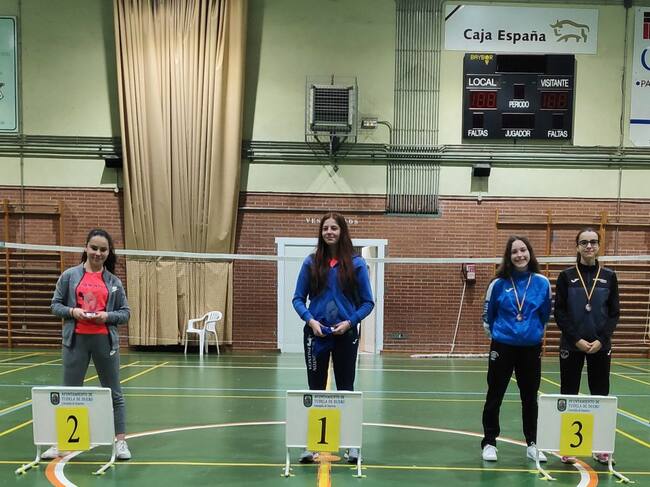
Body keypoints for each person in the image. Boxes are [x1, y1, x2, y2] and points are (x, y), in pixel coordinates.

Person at [42, 228, 131, 460]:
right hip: (76, 342)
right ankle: (64, 442)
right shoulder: (69, 276)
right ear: (86, 247)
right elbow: (55, 305)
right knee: (70, 393)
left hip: (105, 342)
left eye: (103, 249)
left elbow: (125, 313)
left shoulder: (114, 282)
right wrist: (73, 311)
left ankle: (121, 441)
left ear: (108, 252)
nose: (98, 253)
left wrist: (107, 316)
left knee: (114, 392)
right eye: (94, 248)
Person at [292, 212, 374, 464]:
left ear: (342, 232)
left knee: (346, 389)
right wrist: (311, 321)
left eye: (334, 228)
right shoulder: (310, 263)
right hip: (316, 335)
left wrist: (350, 322)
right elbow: (297, 299)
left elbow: (368, 302)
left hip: (345, 334)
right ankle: (312, 446)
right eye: (325, 228)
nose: (329, 232)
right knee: (315, 389)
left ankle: (351, 446)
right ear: (321, 232)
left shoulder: (357, 264)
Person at [480, 236, 551, 463]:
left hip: (530, 349)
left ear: (530, 253)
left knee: (530, 397)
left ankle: (533, 443)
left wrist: (531, 333)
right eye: (514, 252)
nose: (520, 255)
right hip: (503, 346)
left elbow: (545, 314)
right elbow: (488, 315)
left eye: (523, 250)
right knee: (495, 395)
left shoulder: (542, 282)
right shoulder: (498, 284)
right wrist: (501, 335)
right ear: (508, 256)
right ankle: (489, 442)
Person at [554, 228, 619, 465]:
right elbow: (559, 312)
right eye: (584, 242)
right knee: (569, 394)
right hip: (572, 345)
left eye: (593, 242)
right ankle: (569, 446)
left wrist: (601, 340)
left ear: (599, 246)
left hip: (600, 346)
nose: (589, 246)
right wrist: (576, 340)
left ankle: (601, 448)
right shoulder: (566, 276)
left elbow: (614, 313)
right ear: (577, 246)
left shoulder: (609, 276)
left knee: (600, 395)